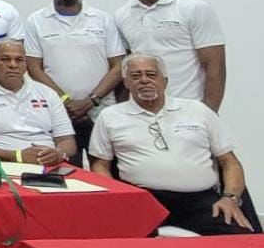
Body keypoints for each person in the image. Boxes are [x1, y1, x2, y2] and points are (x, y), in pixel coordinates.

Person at [89, 53, 254, 235]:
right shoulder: (110, 116)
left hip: (201, 200)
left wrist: (230, 198)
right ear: (126, 82)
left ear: (165, 80)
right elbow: (100, 165)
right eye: (135, 76)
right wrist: (118, 198)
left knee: (241, 239)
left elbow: (230, 162)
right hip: (144, 201)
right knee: (121, 243)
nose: (144, 80)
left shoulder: (197, 110)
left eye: (151, 74)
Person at [24, 0, 124, 166]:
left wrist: (91, 101)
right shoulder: (36, 21)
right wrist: (65, 101)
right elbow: (34, 67)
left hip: (101, 110)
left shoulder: (102, 19)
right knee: (68, 169)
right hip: (60, 111)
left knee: (109, 168)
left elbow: (118, 66)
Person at [116, 0, 225, 111]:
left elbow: (215, 65)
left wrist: (209, 113)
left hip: (188, 107)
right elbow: (124, 68)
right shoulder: (122, 15)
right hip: (142, 110)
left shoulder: (193, 7)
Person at [0, 39, 76, 166]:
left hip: (50, 165)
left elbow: (67, 140)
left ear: (25, 64)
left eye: (19, 60)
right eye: (5, 59)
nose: (13, 65)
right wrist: (17, 156)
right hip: (3, 164)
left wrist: (58, 154)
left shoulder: (48, 93)